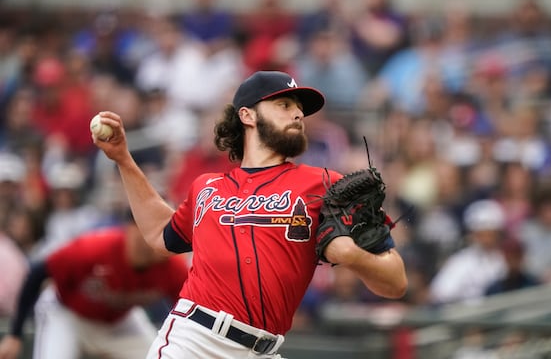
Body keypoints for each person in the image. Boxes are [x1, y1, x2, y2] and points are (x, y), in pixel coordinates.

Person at [91, 70, 407, 358]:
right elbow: (161, 235)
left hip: (264, 349)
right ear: (247, 115)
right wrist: (123, 159)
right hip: (194, 340)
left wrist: (354, 256)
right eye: (284, 104)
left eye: (299, 108)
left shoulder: (325, 184)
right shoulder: (207, 186)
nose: (298, 113)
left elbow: (396, 282)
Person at [0, 218, 189, 359]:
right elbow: (37, 274)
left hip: (120, 320)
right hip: (67, 314)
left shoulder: (173, 267)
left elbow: (187, 315)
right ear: (131, 228)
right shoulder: (94, 248)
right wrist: (15, 334)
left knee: (161, 356)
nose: (162, 238)